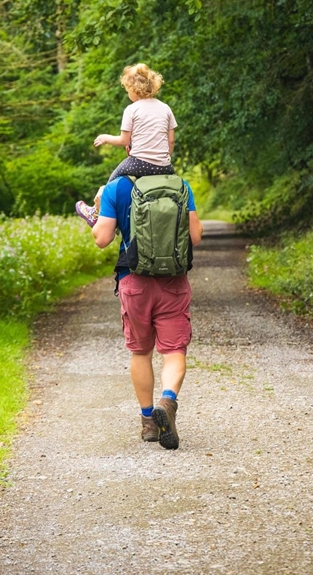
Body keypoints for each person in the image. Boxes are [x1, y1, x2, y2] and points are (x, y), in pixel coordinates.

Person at [90, 173, 204, 450]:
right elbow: (196, 237)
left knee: (141, 351)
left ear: (129, 148)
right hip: (173, 282)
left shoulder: (115, 188)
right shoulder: (180, 185)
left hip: (134, 281)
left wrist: (97, 206)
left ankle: (148, 423)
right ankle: (168, 400)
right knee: (174, 351)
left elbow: (101, 239)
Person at [75, 63, 177, 226]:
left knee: (111, 182)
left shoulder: (132, 109)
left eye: (127, 88)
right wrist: (164, 158)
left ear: (135, 89)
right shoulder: (166, 108)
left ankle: (96, 213)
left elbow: (124, 141)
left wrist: (105, 137)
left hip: (139, 163)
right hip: (165, 166)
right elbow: (171, 140)